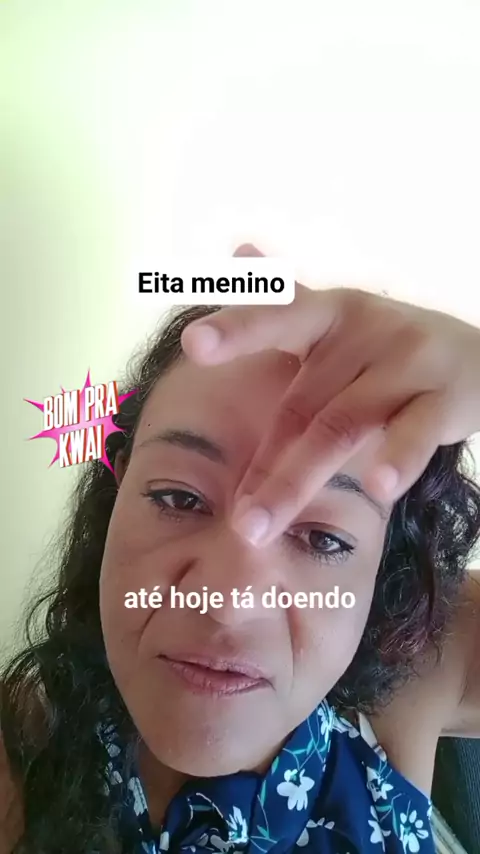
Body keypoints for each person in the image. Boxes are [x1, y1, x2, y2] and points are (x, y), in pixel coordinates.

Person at [1, 245, 480, 854]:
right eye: (179, 498)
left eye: (323, 538)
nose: (226, 606)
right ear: (118, 486)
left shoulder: (422, 664)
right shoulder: (20, 757)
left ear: (383, 562)